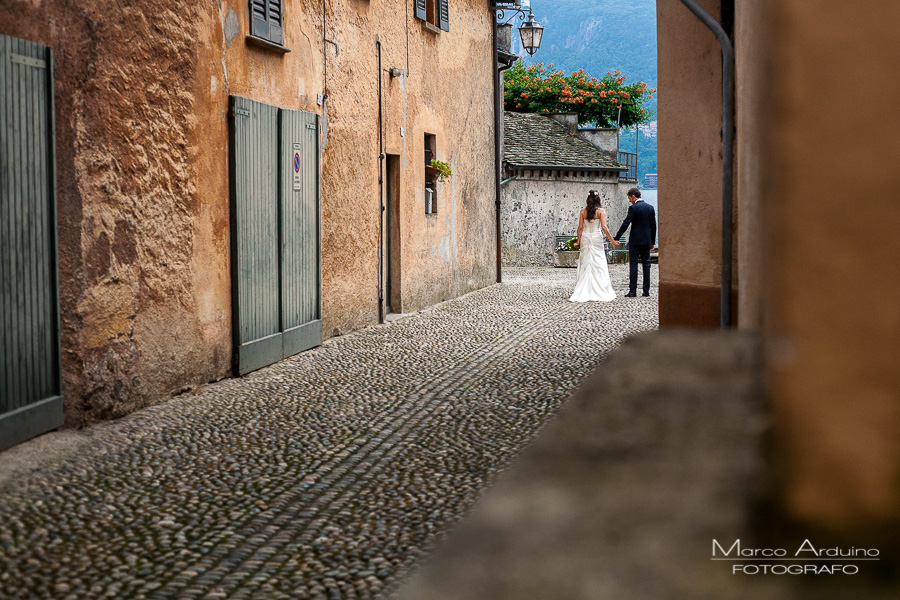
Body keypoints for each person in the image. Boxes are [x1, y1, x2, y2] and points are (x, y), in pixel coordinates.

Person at [569, 190, 620, 302]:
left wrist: (578, 241)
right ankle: (601, 288)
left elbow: (580, 228)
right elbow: (604, 228)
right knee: (599, 261)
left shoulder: (582, 211)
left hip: (586, 237)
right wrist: (612, 240)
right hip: (597, 237)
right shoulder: (601, 211)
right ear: (598, 200)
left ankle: (583, 288)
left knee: (586, 261)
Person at [614, 187, 657, 297]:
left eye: (629, 198)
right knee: (646, 265)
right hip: (647, 240)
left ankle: (633, 290)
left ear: (633, 196)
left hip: (635, 241)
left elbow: (626, 223)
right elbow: (653, 226)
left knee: (633, 264)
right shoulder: (650, 208)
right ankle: (646, 290)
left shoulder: (633, 208)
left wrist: (617, 237)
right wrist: (652, 241)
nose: (629, 200)